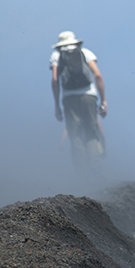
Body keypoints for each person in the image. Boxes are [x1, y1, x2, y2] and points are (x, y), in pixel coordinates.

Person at [50, 31, 107, 171]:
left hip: (69, 98)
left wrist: (57, 105)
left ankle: (82, 174)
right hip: (89, 96)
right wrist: (103, 101)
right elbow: (98, 75)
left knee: (74, 134)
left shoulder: (56, 56)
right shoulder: (86, 52)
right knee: (91, 131)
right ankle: (95, 169)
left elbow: (55, 80)